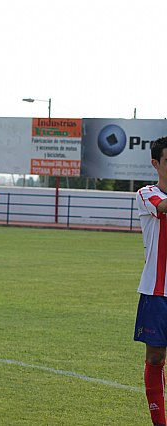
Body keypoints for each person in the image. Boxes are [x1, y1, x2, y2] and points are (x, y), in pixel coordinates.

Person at [135, 136, 167, 426]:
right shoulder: (147, 193)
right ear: (156, 164)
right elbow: (164, 207)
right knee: (155, 357)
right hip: (157, 292)